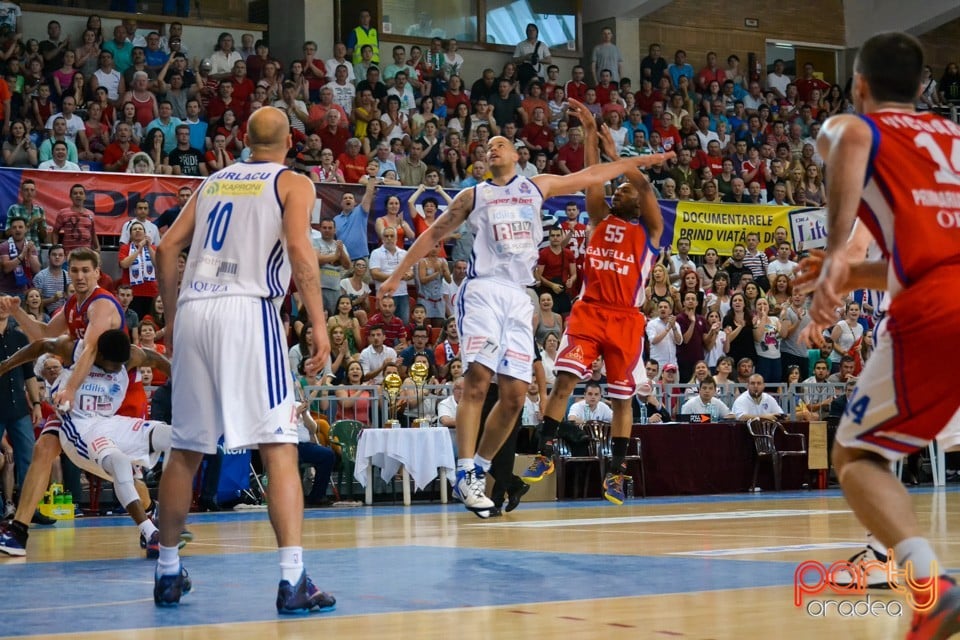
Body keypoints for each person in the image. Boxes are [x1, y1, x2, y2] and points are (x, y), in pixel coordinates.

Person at [386, 99, 671, 516]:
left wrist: (630, 155)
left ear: (519, 156)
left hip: (550, 302)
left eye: (501, 144)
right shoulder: (484, 195)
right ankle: (495, 462)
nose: (492, 149)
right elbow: (433, 236)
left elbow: (610, 179)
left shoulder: (549, 191)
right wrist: (397, 275)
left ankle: (507, 469)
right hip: (520, 296)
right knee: (502, 380)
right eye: (489, 146)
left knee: (524, 396)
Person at [795, 33, 960, 636]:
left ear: (859, 86)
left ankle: (929, 583)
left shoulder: (859, 126)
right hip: (942, 282)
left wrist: (837, 252)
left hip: (941, 304)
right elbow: (929, 252)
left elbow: (850, 136)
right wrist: (859, 268)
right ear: (922, 89)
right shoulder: (954, 138)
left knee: (858, 455)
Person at [152, 106, 335, 612]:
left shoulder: (212, 182)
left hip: (194, 308)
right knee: (279, 446)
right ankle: (293, 579)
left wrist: (171, 320)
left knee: (186, 449)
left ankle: (167, 570)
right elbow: (299, 248)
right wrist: (319, 325)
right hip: (248, 309)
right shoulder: (293, 183)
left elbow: (167, 248)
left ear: (244, 138)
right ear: (290, 139)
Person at [0, 330, 186, 557]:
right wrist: (5, 365)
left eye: (122, 365)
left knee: (128, 470)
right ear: (99, 357)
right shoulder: (75, 351)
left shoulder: (129, 356)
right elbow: (39, 346)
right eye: (113, 365)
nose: (119, 369)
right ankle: (19, 530)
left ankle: (151, 511)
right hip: (73, 418)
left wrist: (181, 382)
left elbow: (155, 359)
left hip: (106, 422)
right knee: (44, 449)